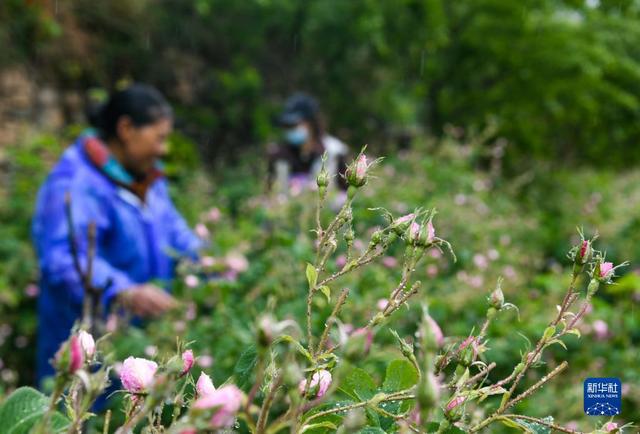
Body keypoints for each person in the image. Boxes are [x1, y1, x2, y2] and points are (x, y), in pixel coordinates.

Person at [32, 84, 201, 384]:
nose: (164, 149)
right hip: (84, 338)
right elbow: (64, 258)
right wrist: (126, 291)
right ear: (126, 128)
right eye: (159, 138)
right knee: (76, 416)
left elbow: (174, 229)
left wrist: (209, 260)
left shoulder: (148, 177)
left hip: (135, 339)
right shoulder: (75, 183)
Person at [267, 93, 349, 194]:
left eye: (294, 125)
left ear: (311, 123)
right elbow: (271, 192)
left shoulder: (334, 151)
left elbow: (346, 191)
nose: (290, 130)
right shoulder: (279, 155)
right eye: (287, 126)